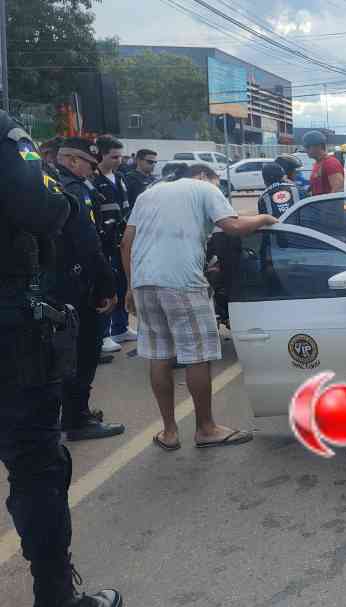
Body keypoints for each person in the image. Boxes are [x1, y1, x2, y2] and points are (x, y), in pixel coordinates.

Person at [0, 111, 122, 607]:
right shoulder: (7, 135)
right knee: (36, 467)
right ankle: (55, 597)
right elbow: (45, 208)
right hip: (10, 333)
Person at [120, 164, 277, 451]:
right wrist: (266, 218)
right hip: (181, 282)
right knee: (197, 356)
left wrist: (130, 286)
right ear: (205, 176)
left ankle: (169, 432)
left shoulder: (149, 193)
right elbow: (233, 227)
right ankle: (206, 428)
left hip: (144, 282)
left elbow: (126, 244)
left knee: (159, 355)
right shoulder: (205, 187)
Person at [55, 138, 125, 442]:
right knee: (83, 353)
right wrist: (107, 283)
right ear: (71, 160)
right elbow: (88, 244)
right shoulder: (74, 190)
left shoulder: (51, 184)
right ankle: (77, 419)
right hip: (80, 283)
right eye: (88, 163)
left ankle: (73, 412)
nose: (92, 170)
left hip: (63, 283)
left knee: (71, 354)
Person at [93, 136, 136, 354]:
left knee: (122, 282)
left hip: (121, 240)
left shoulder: (120, 178)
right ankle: (104, 334)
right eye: (114, 156)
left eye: (121, 156)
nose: (119, 160)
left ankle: (121, 327)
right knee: (107, 287)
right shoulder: (93, 179)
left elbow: (126, 210)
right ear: (100, 155)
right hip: (103, 242)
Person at [304, 130, 344, 196]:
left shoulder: (330, 163)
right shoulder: (318, 164)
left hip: (327, 205)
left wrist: (327, 206)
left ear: (319, 146)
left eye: (308, 147)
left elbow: (338, 190)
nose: (306, 150)